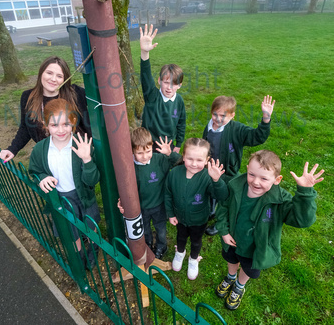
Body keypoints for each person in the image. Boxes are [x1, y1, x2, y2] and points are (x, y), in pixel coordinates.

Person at [215, 150, 324, 310]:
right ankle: (231, 276)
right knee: (231, 258)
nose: (256, 182)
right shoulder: (235, 186)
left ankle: (239, 285)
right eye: (251, 174)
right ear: (247, 169)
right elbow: (223, 208)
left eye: (264, 178)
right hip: (232, 239)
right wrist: (224, 231)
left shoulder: (280, 200)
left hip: (255, 249)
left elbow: (302, 220)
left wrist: (305, 193)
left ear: (277, 180)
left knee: (247, 267)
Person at [29, 98, 100, 268]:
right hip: (61, 199)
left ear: (73, 123)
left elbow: (93, 180)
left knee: (91, 226)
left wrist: (87, 159)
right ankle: (79, 256)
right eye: (54, 125)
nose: (60, 130)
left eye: (66, 124)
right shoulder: (40, 150)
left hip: (83, 196)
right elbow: (35, 171)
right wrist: (42, 178)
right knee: (71, 233)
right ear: (46, 125)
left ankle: (94, 249)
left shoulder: (82, 145)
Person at [203, 95, 275, 235]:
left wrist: (266, 118)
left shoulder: (237, 129)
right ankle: (211, 210)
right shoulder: (209, 126)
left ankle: (221, 222)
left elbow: (257, 137)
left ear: (232, 116)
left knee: (225, 197)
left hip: (227, 172)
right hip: (211, 168)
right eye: (214, 114)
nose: (218, 119)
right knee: (211, 189)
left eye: (223, 116)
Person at [0, 56, 91, 163]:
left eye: (59, 76)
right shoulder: (28, 97)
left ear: (65, 79)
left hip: (79, 154)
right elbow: (25, 128)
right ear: (41, 73)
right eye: (49, 73)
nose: (53, 79)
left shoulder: (75, 93)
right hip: (50, 157)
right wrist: (12, 149)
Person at [165, 138, 228, 280]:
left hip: (199, 219)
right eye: (190, 159)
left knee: (196, 240)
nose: (194, 164)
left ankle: (193, 259)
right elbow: (168, 194)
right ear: (183, 156)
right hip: (180, 217)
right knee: (180, 236)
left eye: (199, 160)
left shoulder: (207, 177)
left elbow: (222, 196)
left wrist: (217, 181)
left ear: (207, 160)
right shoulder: (174, 173)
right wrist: (170, 213)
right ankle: (180, 253)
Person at [118, 127, 181, 259]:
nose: (145, 156)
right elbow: (124, 186)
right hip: (140, 207)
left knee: (161, 229)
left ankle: (161, 246)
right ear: (132, 151)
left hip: (159, 204)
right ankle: (146, 246)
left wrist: (170, 154)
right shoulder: (129, 166)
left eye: (148, 151)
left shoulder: (160, 160)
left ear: (152, 147)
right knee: (144, 229)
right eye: (140, 153)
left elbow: (180, 163)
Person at [140, 24, 185, 153]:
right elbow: (145, 76)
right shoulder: (152, 96)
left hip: (168, 146)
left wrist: (178, 144)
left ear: (179, 85)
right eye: (166, 82)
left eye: (174, 84)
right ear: (159, 81)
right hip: (148, 146)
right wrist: (145, 52)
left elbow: (181, 123)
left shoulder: (179, 101)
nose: (169, 88)